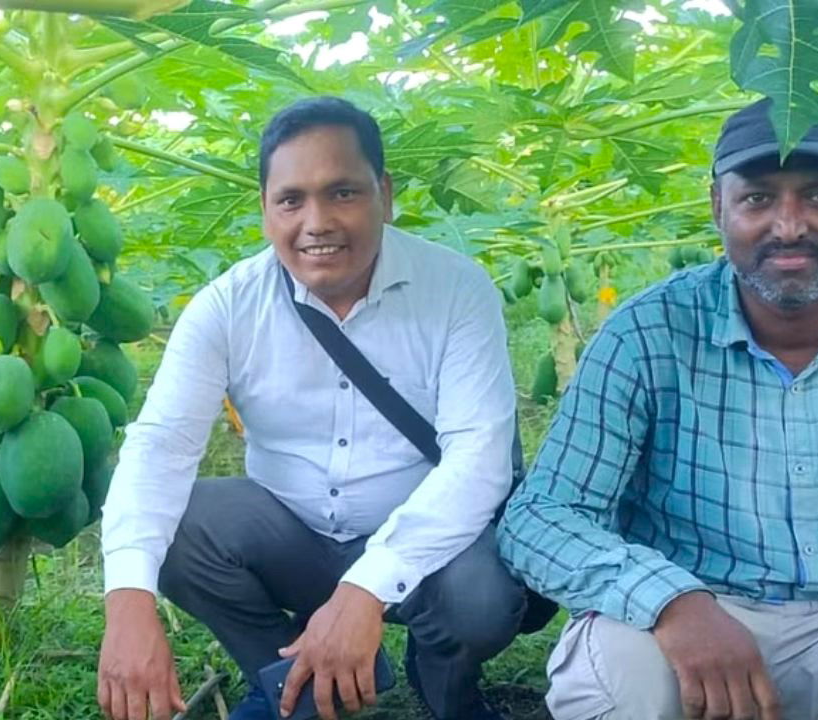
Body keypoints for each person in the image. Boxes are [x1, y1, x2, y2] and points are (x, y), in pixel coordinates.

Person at [498, 96, 818, 720]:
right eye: (758, 198)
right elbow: (542, 515)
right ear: (718, 206)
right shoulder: (646, 331)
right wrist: (673, 603)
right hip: (691, 611)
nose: (788, 226)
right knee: (612, 677)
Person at [96, 96, 527, 720]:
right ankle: (290, 684)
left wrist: (363, 591)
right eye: (291, 200)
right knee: (182, 528)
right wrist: (127, 599)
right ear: (266, 209)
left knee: (482, 601)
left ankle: (442, 679)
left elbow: (479, 461)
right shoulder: (228, 305)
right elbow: (160, 444)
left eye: (343, 193)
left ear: (385, 191)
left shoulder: (456, 289)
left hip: (427, 546)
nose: (316, 222)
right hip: (292, 533)